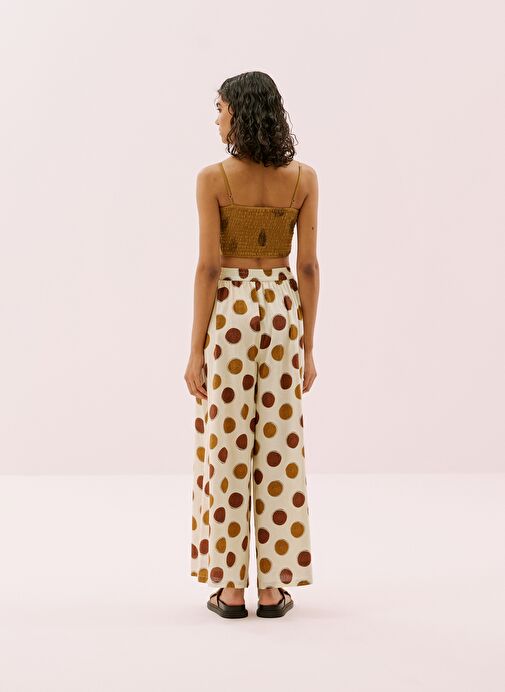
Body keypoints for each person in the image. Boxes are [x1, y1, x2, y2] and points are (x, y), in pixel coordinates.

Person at [185, 71, 319, 618]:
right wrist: (308, 347)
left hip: (232, 315)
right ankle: (272, 589)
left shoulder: (213, 179)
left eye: (220, 109)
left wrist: (195, 350)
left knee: (227, 443)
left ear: (239, 113)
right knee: (279, 445)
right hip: (283, 312)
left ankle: (230, 590)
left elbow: (208, 267)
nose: (216, 119)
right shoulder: (303, 178)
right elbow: (307, 267)